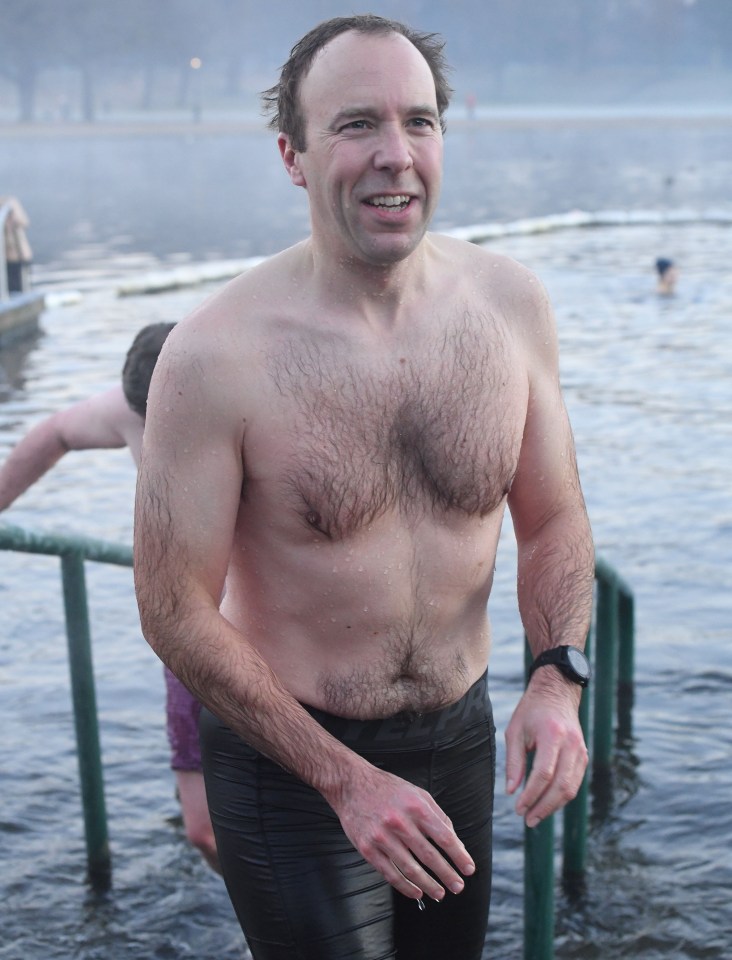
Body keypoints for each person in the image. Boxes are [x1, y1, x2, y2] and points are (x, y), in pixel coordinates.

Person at [134, 14, 594, 960]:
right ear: (293, 156)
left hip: (458, 739)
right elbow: (173, 609)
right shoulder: (216, 357)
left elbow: (552, 521)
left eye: (419, 123)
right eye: (356, 126)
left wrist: (556, 680)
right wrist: (346, 781)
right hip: (290, 762)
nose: (396, 156)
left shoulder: (510, 307)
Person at [0, 322, 220, 873]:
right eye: (149, 425)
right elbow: (55, 432)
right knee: (205, 833)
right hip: (188, 634)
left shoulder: (245, 404)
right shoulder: (133, 408)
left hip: (273, 633)